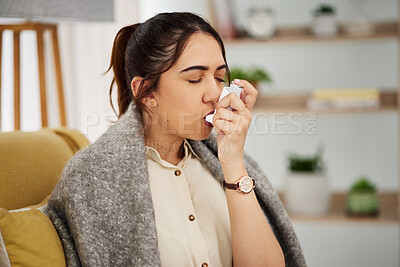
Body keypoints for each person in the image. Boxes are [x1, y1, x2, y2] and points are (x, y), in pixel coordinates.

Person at [47, 12, 306, 267]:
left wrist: (233, 163)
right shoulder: (93, 176)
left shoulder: (224, 162)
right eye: (194, 79)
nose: (215, 94)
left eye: (219, 77)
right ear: (145, 92)